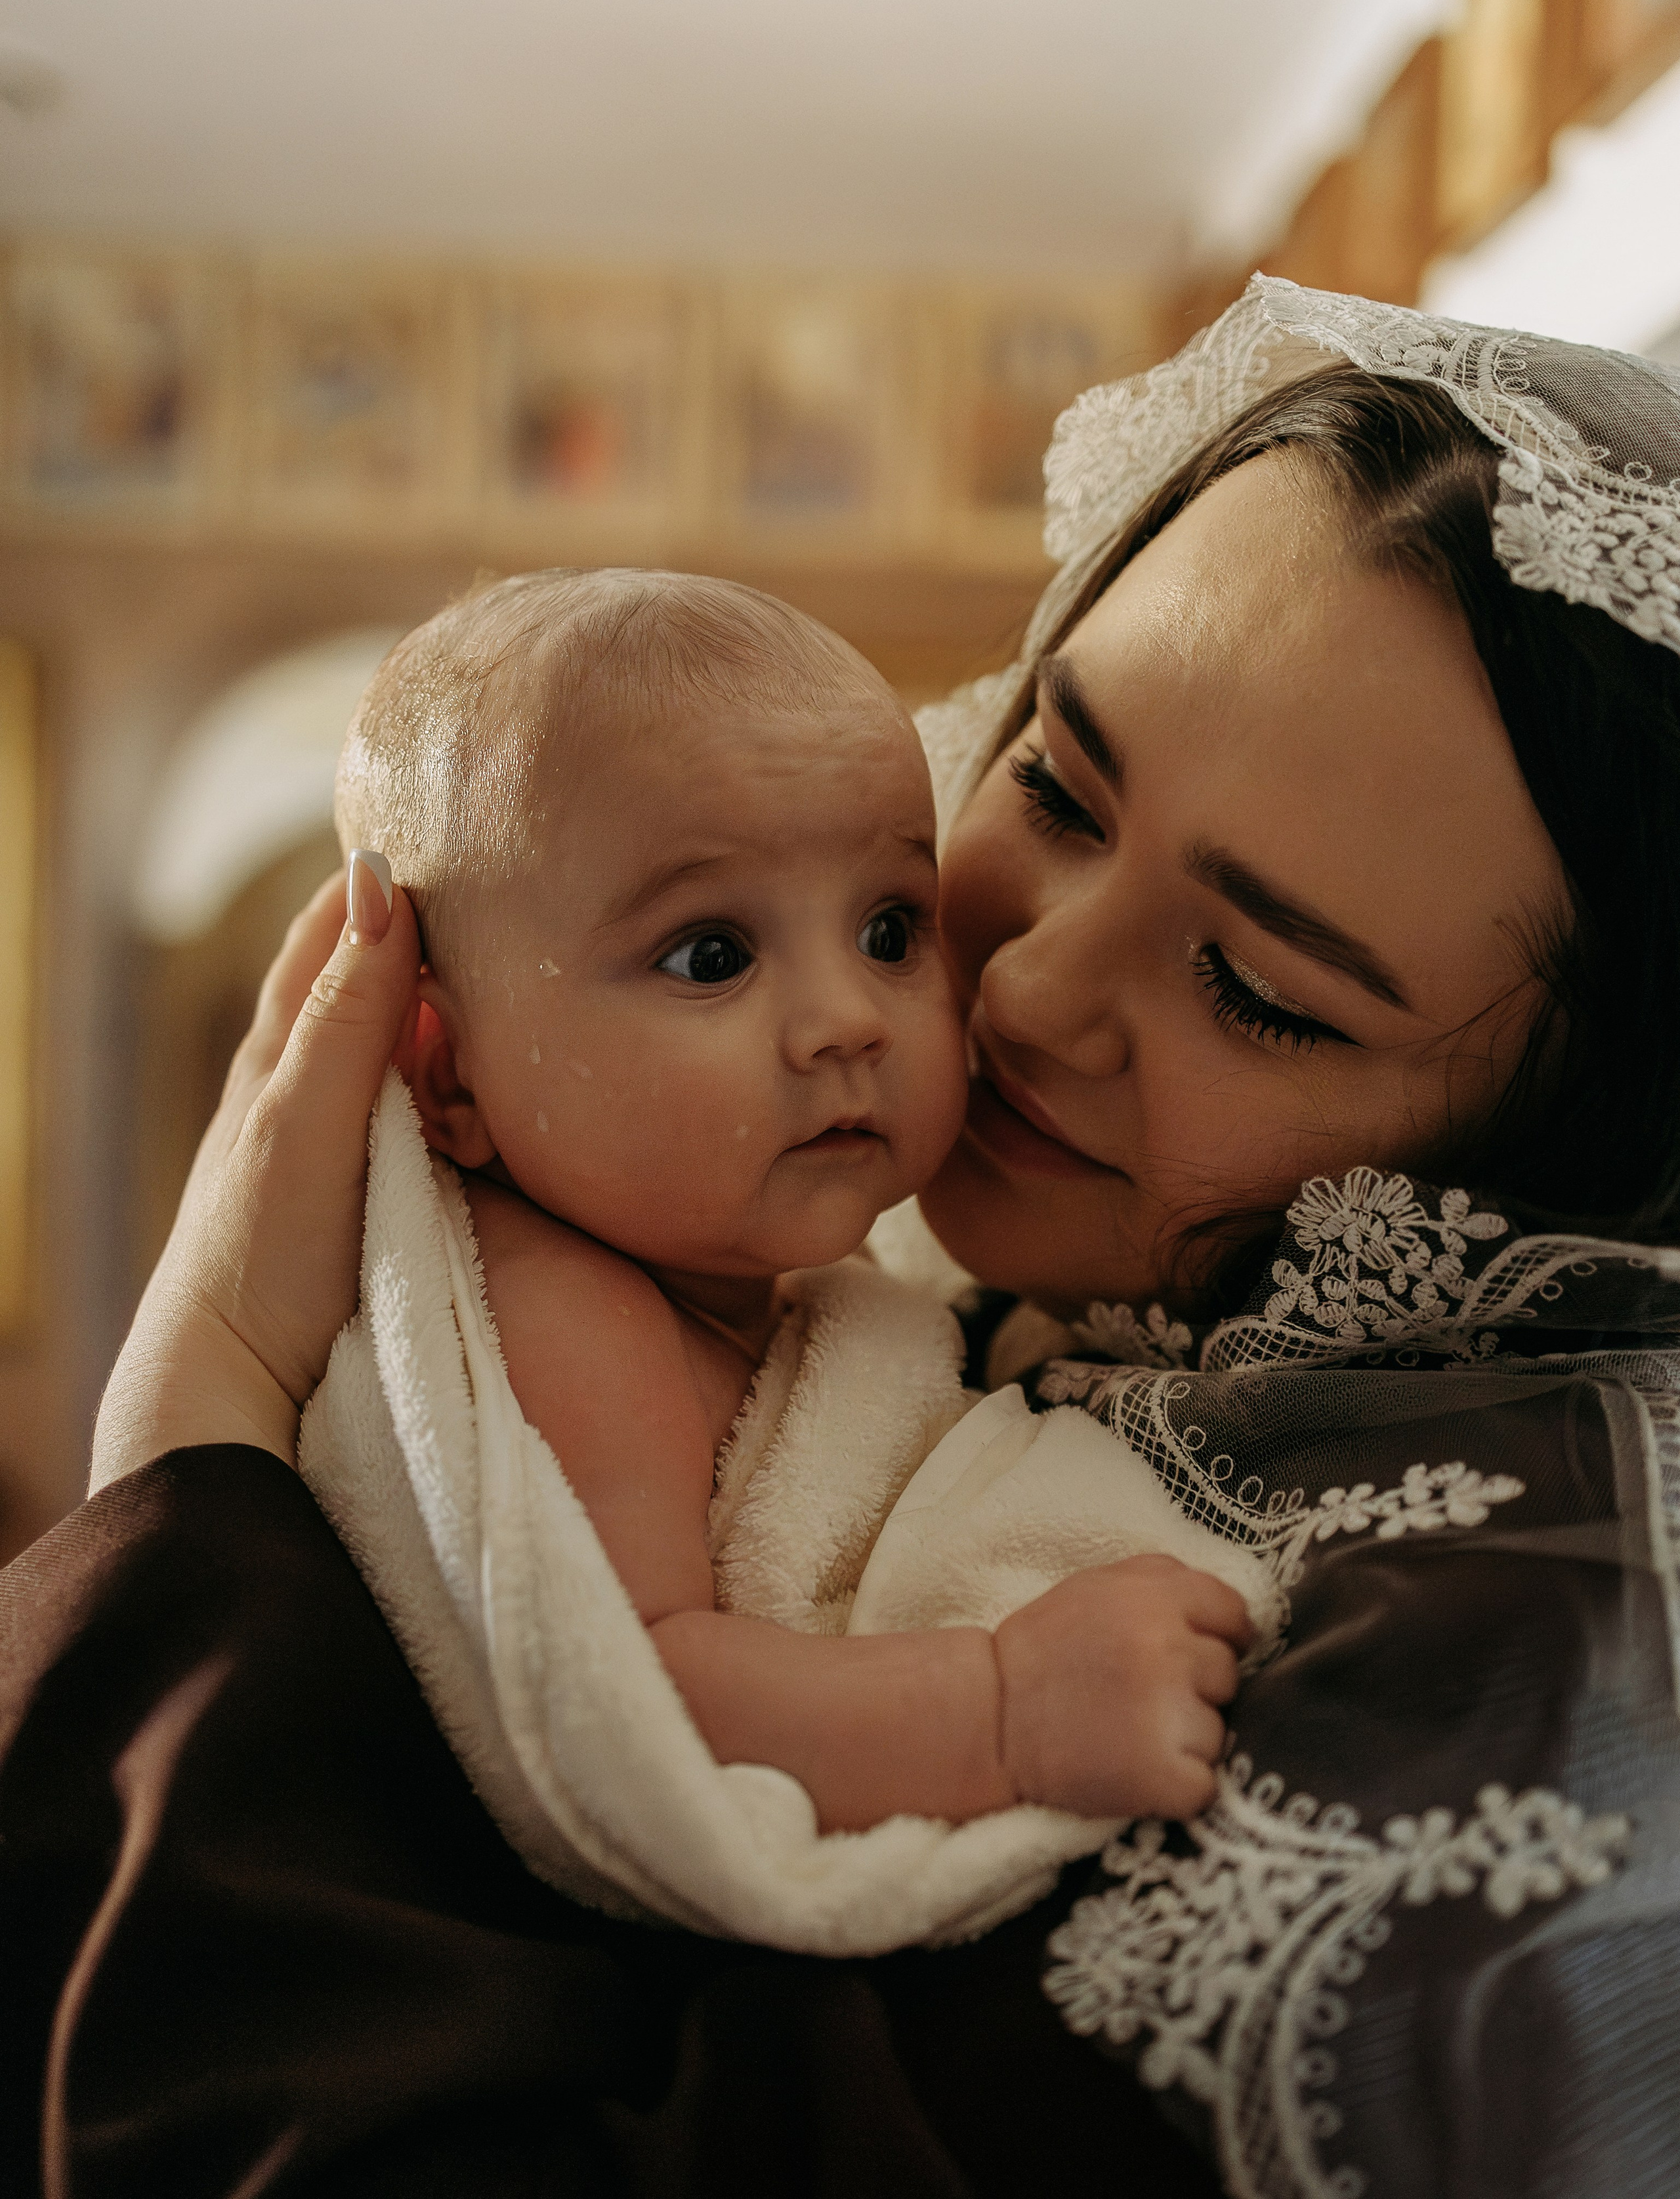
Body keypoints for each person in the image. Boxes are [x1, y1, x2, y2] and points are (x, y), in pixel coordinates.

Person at [10, 277, 1680, 2196]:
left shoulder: (1513, 1708)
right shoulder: (892, 1289)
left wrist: (190, 1437)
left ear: (1551, 1164)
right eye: (1054, 786)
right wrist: (210, 1382)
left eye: (1254, 989)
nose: (1020, 988)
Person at [322, 566, 1251, 1856]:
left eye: (889, 930)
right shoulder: (564, 1317)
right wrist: (1002, 1709)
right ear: (448, 1075)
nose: (848, 1020)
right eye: (712, 954)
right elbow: (621, 1697)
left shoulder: (737, 1261)